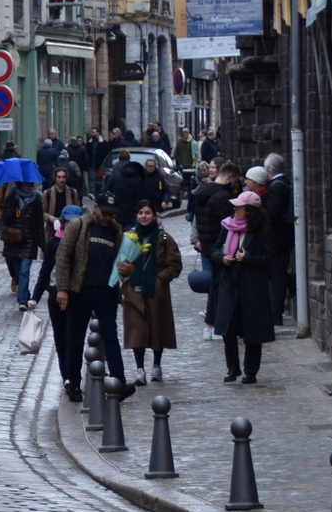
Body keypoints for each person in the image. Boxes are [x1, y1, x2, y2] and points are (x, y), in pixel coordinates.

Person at [55, 197, 129, 395]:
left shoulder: (115, 230)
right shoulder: (78, 225)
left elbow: (121, 259)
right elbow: (62, 257)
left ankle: (119, 382)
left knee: (110, 335)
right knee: (75, 338)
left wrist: (127, 269)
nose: (108, 217)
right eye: (105, 212)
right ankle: (73, 384)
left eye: (112, 213)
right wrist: (63, 288)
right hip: (80, 290)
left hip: (106, 291)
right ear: (95, 207)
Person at [117, 199, 182, 386]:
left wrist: (159, 280)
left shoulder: (164, 238)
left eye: (147, 213)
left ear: (154, 215)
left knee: (157, 328)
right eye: (140, 213)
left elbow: (174, 265)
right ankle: (139, 369)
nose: (143, 216)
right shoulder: (128, 237)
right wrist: (126, 276)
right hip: (134, 291)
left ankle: (156, 365)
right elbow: (119, 262)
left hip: (156, 292)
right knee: (137, 330)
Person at [212, 189, 273, 383]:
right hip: (229, 282)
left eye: (239, 207)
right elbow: (214, 249)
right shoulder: (228, 226)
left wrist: (248, 258)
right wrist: (222, 258)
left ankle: (250, 371)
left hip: (252, 285)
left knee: (252, 328)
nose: (235, 209)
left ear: (249, 210)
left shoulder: (262, 230)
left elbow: (269, 257)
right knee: (228, 326)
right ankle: (232, 368)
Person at [28, 206, 79, 393]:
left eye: (74, 222)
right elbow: (45, 271)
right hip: (56, 296)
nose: (70, 225)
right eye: (67, 222)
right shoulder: (53, 243)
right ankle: (66, 376)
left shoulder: (82, 242)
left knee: (73, 337)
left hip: (77, 296)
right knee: (60, 338)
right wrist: (35, 298)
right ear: (62, 222)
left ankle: (73, 376)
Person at [193, 164, 240, 340]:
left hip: (208, 245)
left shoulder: (203, 192)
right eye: (235, 180)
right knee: (220, 286)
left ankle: (210, 325)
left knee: (215, 285)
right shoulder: (222, 196)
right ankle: (217, 325)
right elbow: (228, 225)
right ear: (229, 177)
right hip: (220, 247)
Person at [0, 178, 44, 308]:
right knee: (19, 273)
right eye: (25, 184)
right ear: (20, 185)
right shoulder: (12, 198)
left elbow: (39, 223)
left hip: (30, 240)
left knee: (24, 271)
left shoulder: (36, 200)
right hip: (14, 241)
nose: (27, 187)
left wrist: (43, 245)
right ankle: (26, 294)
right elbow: (5, 219)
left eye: (30, 184)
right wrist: (14, 206)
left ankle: (22, 301)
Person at [260, 153, 295, 324]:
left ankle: (276, 314)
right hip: (279, 237)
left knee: (277, 276)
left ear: (268, 169)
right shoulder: (282, 183)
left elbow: (272, 212)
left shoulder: (277, 186)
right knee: (275, 275)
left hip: (277, 238)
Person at [107, 149, 145, 224]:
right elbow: (142, 199)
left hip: (117, 209)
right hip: (131, 212)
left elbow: (107, 189)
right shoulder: (138, 180)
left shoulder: (116, 169)